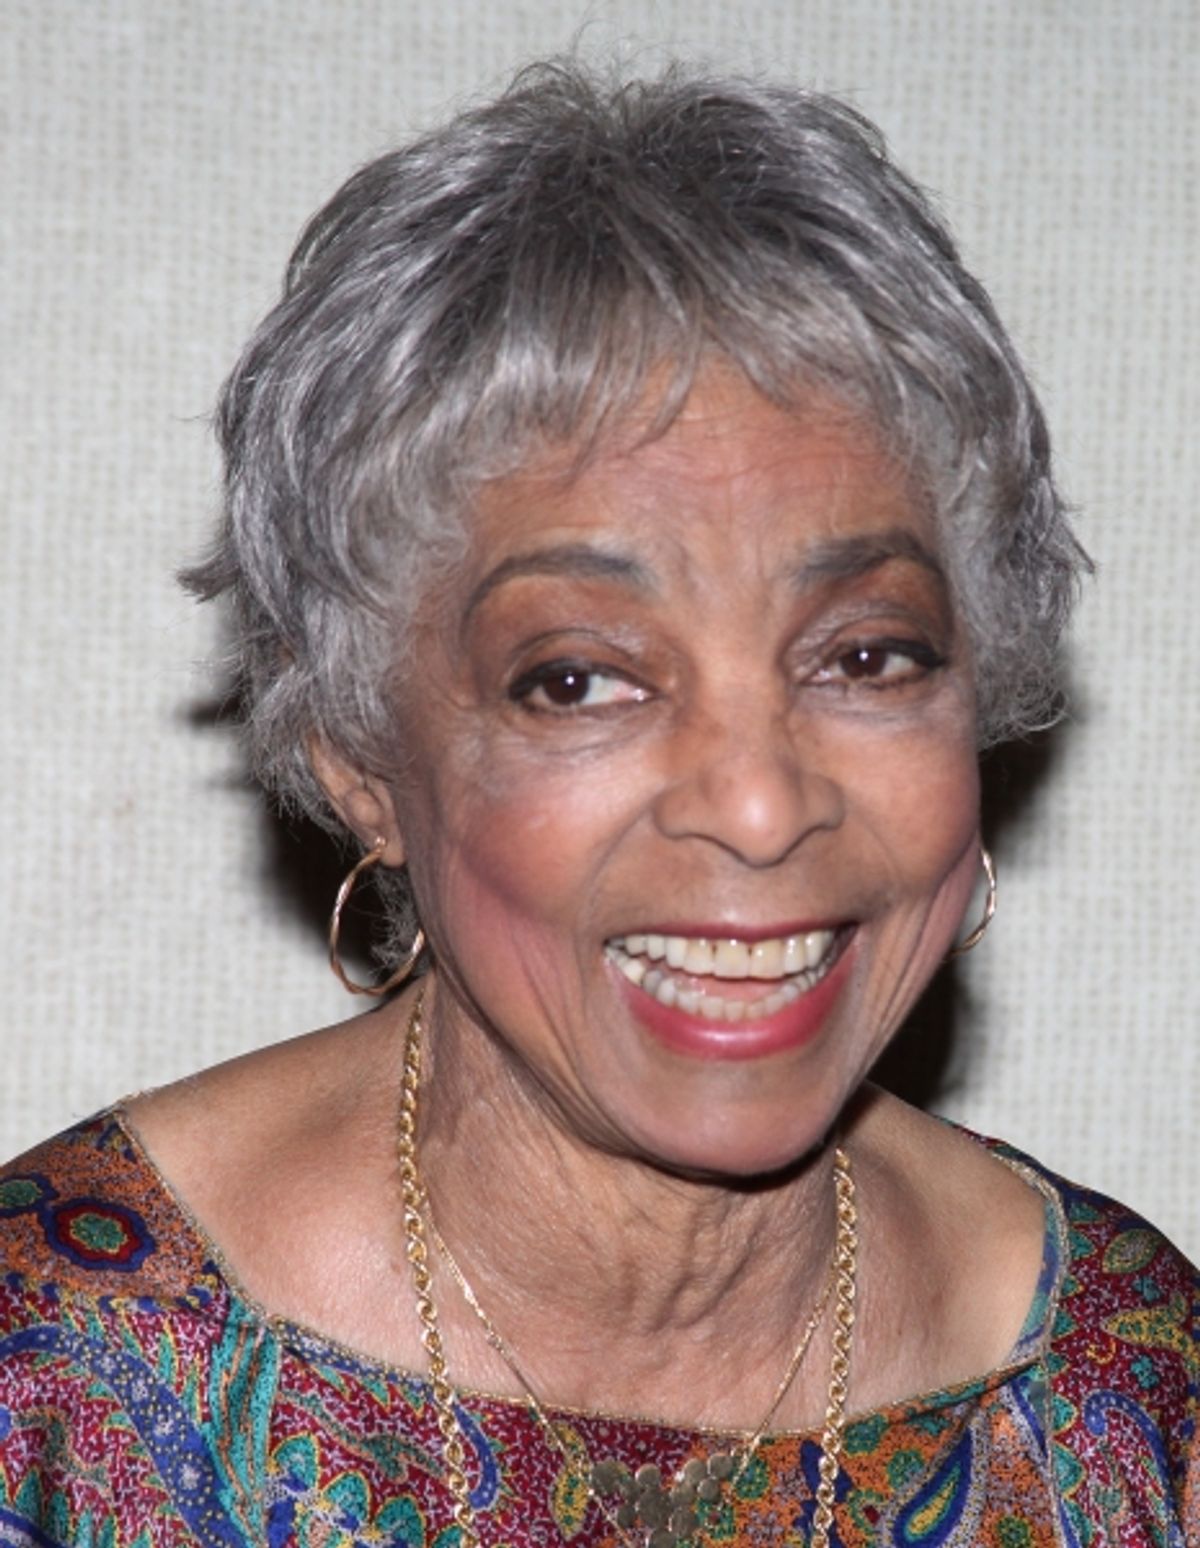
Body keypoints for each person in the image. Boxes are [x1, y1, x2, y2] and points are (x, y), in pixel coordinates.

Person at [1, 60, 1195, 1548]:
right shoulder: (56, 1384)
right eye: (581, 681)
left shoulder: (1126, 1400)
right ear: (358, 754)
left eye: (866, 656)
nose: (760, 807)